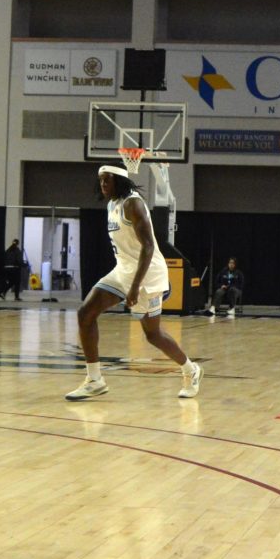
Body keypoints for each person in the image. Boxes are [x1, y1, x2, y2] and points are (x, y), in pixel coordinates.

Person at [65, 165, 202, 401]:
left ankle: (191, 369)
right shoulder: (112, 205)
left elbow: (148, 246)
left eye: (107, 181)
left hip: (147, 275)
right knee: (85, 313)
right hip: (123, 270)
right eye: (100, 181)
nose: (103, 185)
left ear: (119, 181)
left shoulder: (133, 204)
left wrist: (135, 287)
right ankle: (95, 380)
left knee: (153, 335)